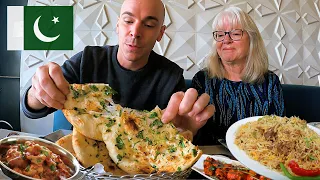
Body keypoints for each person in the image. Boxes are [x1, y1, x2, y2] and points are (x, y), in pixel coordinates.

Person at [22, 0, 215, 137]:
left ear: (160, 33)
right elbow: (31, 108)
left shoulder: (171, 76)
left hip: (140, 169)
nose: (135, 32)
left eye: (148, 25)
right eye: (128, 21)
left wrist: (187, 129)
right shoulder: (88, 60)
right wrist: (37, 93)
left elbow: (176, 135)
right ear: (117, 26)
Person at [191, 7, 284, 145]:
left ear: (252, 39)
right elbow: (193, 135)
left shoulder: (270, 82)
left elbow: (279, 136)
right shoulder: (202, 80)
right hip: (211, 159)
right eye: (220, 34)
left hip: (255, 160)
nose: (226, 40)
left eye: (235, 33)